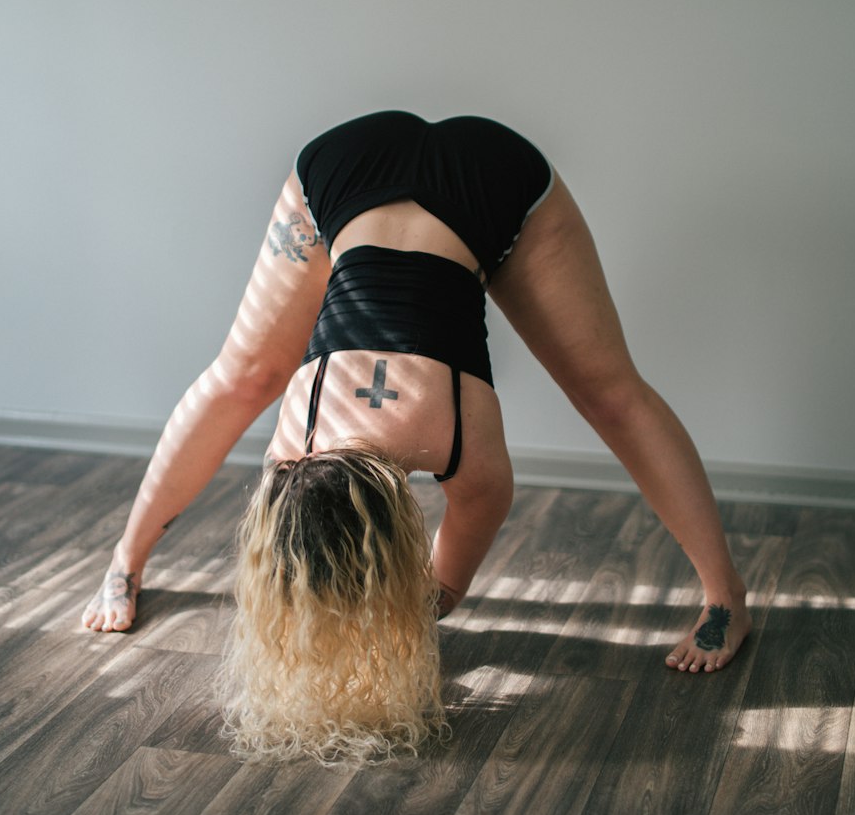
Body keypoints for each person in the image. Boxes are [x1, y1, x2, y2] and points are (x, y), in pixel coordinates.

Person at [82, 111, 751, 763]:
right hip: (343, 172)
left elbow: (439, 596)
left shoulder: (456, 437)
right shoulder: (294, 453)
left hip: (490, 183)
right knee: (245, 375)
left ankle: (727, 599)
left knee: (609, 392)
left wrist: (410, 616)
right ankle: (126, 561)